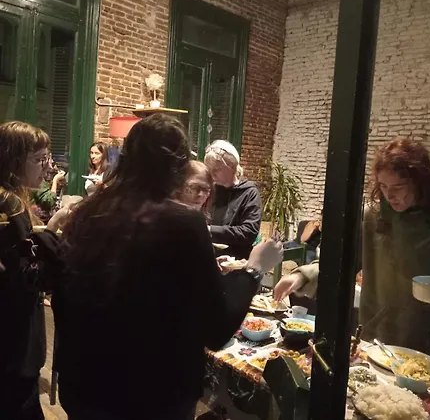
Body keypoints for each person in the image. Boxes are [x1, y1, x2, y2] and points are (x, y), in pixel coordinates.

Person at [52, 114, 283, 420]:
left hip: (83, 384)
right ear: (178, 167)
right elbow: (216, 329)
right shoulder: (182, 222)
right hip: (148, 396)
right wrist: (254, 268)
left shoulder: (88, 212)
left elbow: (68, 295)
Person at [273, 138, 430, 370]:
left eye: (398, 187)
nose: (390, 196)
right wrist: (302, 276)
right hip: (379, 338)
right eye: (383, 186)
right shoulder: (373, 217)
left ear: (420, 181)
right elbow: (341, 260)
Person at [0, 121, 65, 420]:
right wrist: (53, 232)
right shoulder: (9, 204)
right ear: (13, 160)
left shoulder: (12, 198)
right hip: (12, 342)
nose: (47, 167)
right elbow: (25, 277)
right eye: (39, 159)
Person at [204, 140, 262, 259]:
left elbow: (249, 232)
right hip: (210, 258)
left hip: (237, 261)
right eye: (210, 170)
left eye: (216, 169)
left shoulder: (249, 193)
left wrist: (210, 230)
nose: (212, 174)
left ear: (231, 166)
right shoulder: (211, 190)